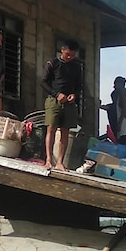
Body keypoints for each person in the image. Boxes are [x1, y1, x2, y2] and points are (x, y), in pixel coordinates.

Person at [41, 39, 82, 170]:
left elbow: (79, 86)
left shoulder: (76, 67)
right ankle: (48, 160)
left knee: (65, 132)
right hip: (54, 100)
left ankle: (60, 162)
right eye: (67, 54)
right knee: (51, 129)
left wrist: (74, 95)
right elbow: (43, 82)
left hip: (69, 103)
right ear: (62, 50)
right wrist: (56, 94)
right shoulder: (52, 63)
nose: (69, 57)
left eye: (72, 55)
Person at [100, 76, 126, 146]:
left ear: (119, 84)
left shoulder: (122, 93)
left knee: (123, 146)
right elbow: (112, 107)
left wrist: (119, 123)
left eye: (115, 84)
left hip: (123, 128)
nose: (114, 86)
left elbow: (124, 108)